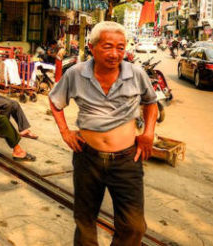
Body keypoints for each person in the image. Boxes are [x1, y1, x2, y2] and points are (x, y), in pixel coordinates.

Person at [49, 21, 158, 246]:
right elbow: (55, 101)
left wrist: (148, 133)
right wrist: (65, 132)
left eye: (121, 47)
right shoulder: (76, 73)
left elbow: (151, 103)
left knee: (134, 226)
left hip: (127, 159)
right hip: (87, 158)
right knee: (85, 220)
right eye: (108, 46)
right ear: (92, 47)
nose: (115, 53)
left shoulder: (136, 73)